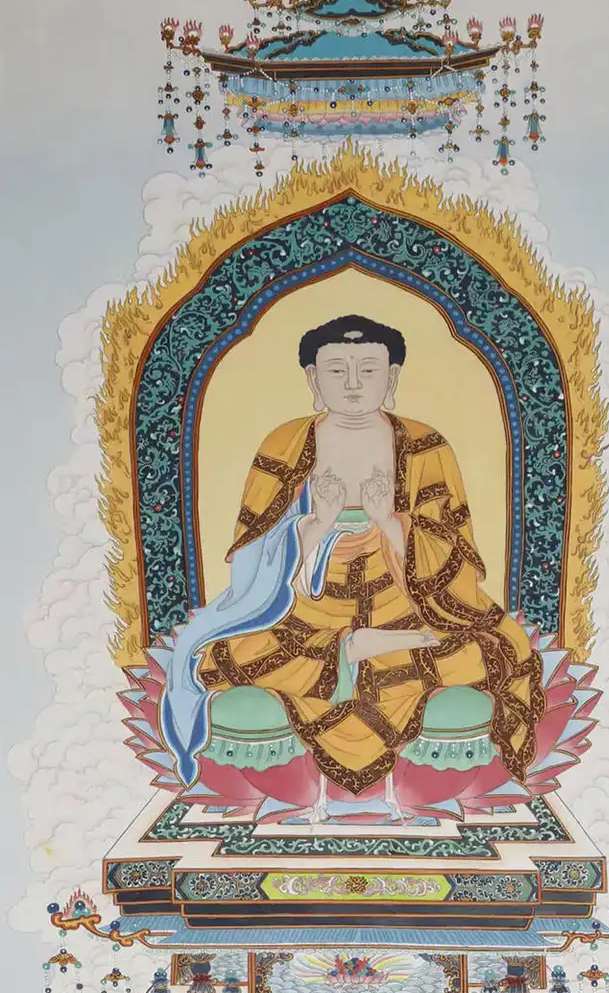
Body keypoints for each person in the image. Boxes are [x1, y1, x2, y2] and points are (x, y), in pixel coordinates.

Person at [159, 315, 544, 811]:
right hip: (303, 612)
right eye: (337, 370)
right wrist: (317, 523)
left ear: (393, 375)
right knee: (224, 654)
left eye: (369, 369)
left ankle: (366, 648)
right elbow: (255, 556)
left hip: (408, 604)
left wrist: (390, 523)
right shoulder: (284, 445)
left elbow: (454, 555)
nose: (354, 384)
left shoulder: (425, 447)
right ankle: (354, 649)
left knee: (492, 650)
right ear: (313, 378)